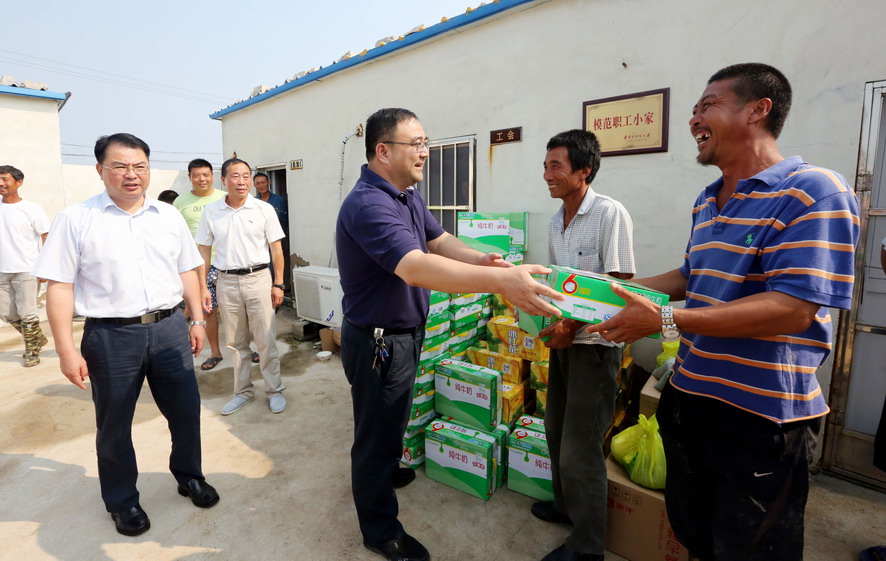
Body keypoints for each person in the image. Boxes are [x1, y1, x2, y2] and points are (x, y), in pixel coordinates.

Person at [585, 63, 860, 560]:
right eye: (693, 109)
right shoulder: (707, 201)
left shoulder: (814, 191)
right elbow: (690, 276)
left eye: (708, 105)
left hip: (761, 417)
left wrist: (664, 320)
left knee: (751, 549)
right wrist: (590, 295)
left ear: (758, 110)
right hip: (690, 397)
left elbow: (792, 308)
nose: (694, 119)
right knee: (695, 533)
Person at [335, 107, 562, 561]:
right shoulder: (369, 204)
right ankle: (380, 530)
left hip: (403, 336)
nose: (425, 152)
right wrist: (501, 283)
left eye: (426, 143)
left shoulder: (406, 195)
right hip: (379, 342)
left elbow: (438, 241)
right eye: (416, 144)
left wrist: (485, 261)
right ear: (383, 151)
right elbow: (416, 267)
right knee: (375, 435)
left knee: (390, 422)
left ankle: (384, 471)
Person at [32, 133, 219, 537]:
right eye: (120, 166)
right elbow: (60, 287)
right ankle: (122, 501)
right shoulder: (75, 219)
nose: (131, 174)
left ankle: (189, 475)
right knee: (115, 424)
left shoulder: (167, 215)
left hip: (169, 329)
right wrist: (65, 350)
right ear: (100, 170)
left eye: (139, 166)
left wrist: (196, 320)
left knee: (185, 412)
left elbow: (187, 269)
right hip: (111, 336)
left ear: (149, 169)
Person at [534, 130, 635, 561]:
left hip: (595, 345)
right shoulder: (555, 221)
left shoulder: (609, 213)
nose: (547, 175)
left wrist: (570, 325)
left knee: (582, 447)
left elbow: (620, 283)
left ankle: (588, 546)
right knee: (556, 430)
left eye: (556, 166)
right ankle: (566, 507)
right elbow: (561, 285)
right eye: (545, 166)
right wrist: (551, 320)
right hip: (565, 341)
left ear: (584, 171)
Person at [196, 158, 287, 415]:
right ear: (223, 180)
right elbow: (204, 251)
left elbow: (276, 249)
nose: (242, 181)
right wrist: (202, 287)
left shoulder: (263, 209)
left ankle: (274, 390)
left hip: (259, 279)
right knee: (236, 343)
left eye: (246, 176)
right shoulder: (212, 212)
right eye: (235, 176)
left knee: (265, 340)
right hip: (226, 281)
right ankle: (243, 392)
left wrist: (279, 284)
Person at [173, 159, 227, 371]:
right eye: (196, 175)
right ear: (189, 177)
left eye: (206, 175)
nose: (201, 179)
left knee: (237, 310)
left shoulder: (224, 198)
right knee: (208, 311)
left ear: (212, 176)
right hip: (197, 267)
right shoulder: (180, 202)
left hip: (225, 263)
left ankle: (245, 348)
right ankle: (215, 352)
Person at [0, 165, 50, 367]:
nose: (1, 183)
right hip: (2, 270)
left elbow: (46, 236)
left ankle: (32, 351)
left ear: (18, 182)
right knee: (6, 313)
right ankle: (37, 338)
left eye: (5, 179)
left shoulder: (32, 208)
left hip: (27, 269)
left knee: (27, 312)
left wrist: (46, 266)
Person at [253, 172, 288, 296]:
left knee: (276, 270)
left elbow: (286, 222)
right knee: (264, 271)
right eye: (258, 183)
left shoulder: (280, 200)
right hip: (260, 243)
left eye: (263, 182)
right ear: (254, 185)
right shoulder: (253, 202)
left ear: (268, 183)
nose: (261, 185)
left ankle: (277, 293)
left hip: (277, 242)